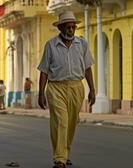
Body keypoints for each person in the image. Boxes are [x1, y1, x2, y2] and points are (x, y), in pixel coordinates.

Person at [37, 11, 96, 168]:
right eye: (68, 27)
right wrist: (41, 93)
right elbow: (43, 71)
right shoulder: (50, 45)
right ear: (61, 28)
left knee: (71, 123)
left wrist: (92, 89)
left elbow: (88, 68)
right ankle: (60, 158)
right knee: (61, 120)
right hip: (56, 87)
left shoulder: (82, 44)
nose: (71, 30)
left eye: (73, 27)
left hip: (76, 87)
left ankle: (65, 152)